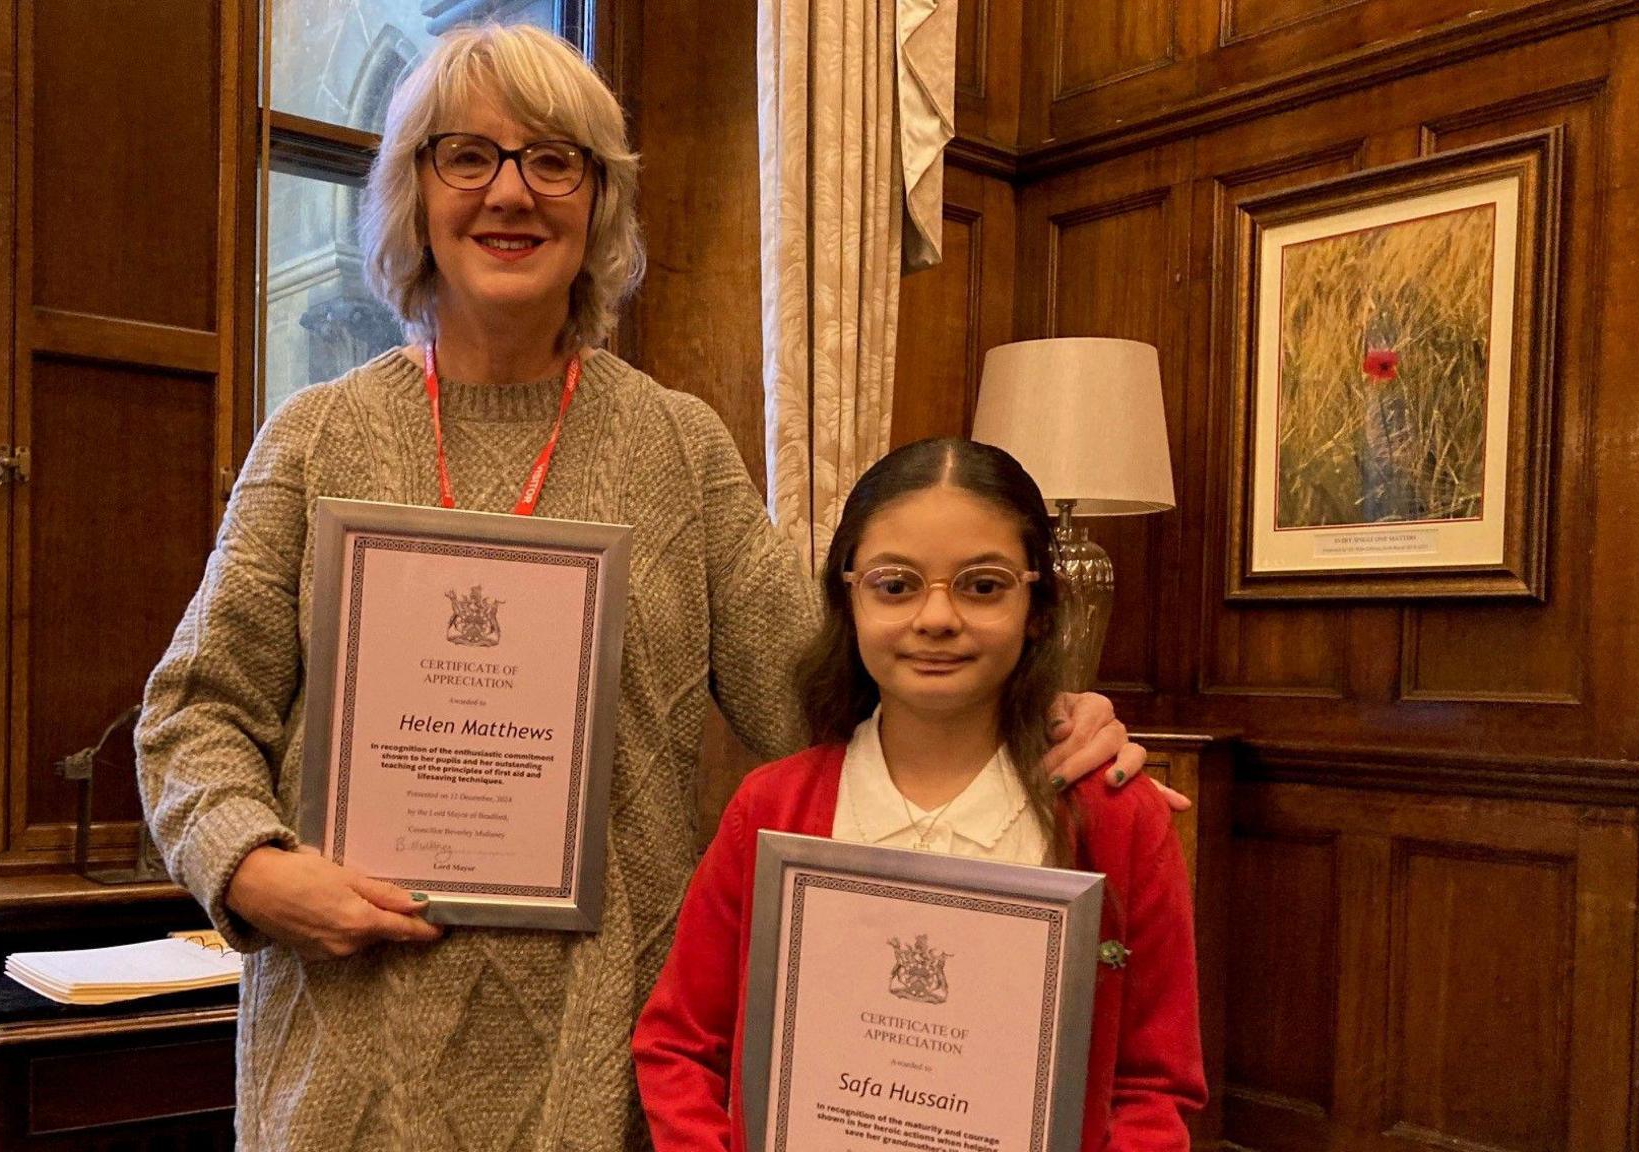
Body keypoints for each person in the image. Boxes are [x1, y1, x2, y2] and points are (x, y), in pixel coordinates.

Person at [135, 26, 1144, 1151]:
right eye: (466, 155)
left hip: (602, 1078)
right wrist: (253, 869)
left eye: (554, 160)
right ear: (412, 192)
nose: (510, 193)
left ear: (598, 204)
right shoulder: (312, 440)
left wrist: (1036, 714)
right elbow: (193, 717)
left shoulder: (677, 448)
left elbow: (822, 700)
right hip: (346, 1073)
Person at [633, 437, 1205, 1152]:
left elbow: (1153, 1089)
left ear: (1037, 607)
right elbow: (678, 1046)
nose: (937, 618)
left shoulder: (1118, 820)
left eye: (983, 585)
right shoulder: (770, 810)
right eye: (896, 585)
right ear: (848, 597)